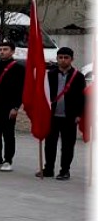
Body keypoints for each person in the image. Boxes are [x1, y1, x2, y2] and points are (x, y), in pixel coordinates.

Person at [40, 47, 85, 180]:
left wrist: (79, 114)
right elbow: (45, 94)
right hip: (52, 116)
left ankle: (65, 170)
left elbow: (82, 98)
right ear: (57, 58)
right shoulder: (50, 75)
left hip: (70, 116)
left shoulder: (78, 76)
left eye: (66, 58)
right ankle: (48, 169)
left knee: (67, 145)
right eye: (60, 57)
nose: (63, 60)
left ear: (72, 59)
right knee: (50, 144)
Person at [0, 41, 25, 172]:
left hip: (9, 107)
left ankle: (8, 160)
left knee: (8, 135)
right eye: (0, 49)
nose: (2, 52)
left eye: (5, 49)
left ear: (13, 51)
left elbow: (21, 90)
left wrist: (16, 107)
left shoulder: (19, 68)